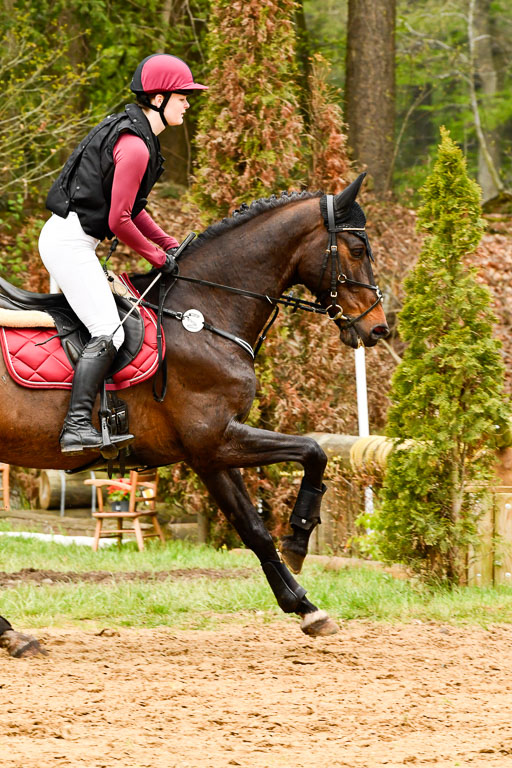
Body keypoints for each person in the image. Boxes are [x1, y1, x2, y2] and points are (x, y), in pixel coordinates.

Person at [39, 54, 208, 455]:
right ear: (160, 97)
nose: (188, 103)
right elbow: (118, 220)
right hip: (69, 244)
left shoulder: (137, 137)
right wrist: (156, 257)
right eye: (183, 96)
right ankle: (77, 425)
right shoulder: (135, 147)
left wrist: (167, 243)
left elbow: (135, 209)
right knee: (109, 330)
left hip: (73, 240)